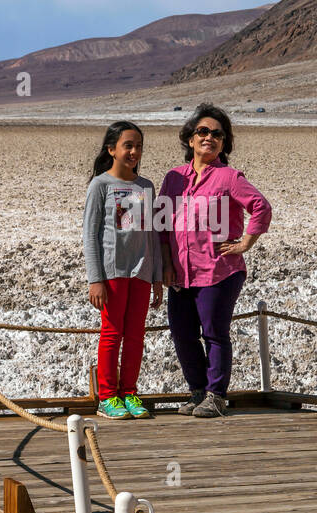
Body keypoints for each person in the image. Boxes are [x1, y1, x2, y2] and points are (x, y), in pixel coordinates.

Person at [159, 105, 272, 418]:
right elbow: (162, 224)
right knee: (182, 333)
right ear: (191, 139)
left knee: (214, 332)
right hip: (180, 273)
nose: (209, 137)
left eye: (217, 134)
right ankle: (197, 392)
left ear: (224, 142)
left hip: (219, 271)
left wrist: (246, 242)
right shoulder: (174, 179)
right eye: (203, 132)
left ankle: (216, 397)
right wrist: (166, 264)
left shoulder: (229, 178)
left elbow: (261, 207)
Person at [84, 121, 163, 419]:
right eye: (128, 145)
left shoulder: (146, 186)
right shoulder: (100, 185)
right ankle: (107, 397)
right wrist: (96, 279)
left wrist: (156, 277)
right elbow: (90, 235)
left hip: (140, 271)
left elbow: (152, 234)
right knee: (112, 333)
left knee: (135, 335)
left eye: (138, 146)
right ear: (111, 149)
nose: (134, 151)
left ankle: (129, 393)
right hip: (112, 272)